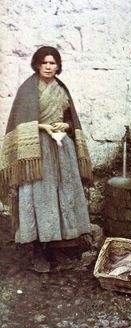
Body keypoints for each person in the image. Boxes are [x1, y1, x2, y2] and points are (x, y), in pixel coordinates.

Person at [0, 46, 93, 272]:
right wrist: (42, 126)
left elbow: (72, 121)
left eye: (53, 63)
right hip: (38, 152)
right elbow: (19, 122)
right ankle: (37, 249)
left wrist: (66, 125)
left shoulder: (61, 89)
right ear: (37, 65)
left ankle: (58, 245)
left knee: (62, 194)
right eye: (45, 63)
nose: (49, 67)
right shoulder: (28, 89)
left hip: (61, 148)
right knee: (40, 196)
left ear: (58, 66)